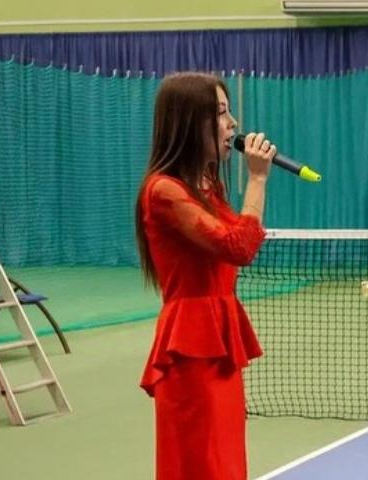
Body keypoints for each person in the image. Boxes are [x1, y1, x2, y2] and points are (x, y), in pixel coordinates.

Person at [136, 72, 274, 480]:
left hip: (220, 341)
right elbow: (239, 247)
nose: (233, 123)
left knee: (226, 462)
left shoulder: (208, 186)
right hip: (191, 346)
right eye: (220, 113)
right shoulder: (164, 192)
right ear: (187, 122)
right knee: (201, 464)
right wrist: (258, 178)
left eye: (229, 112)